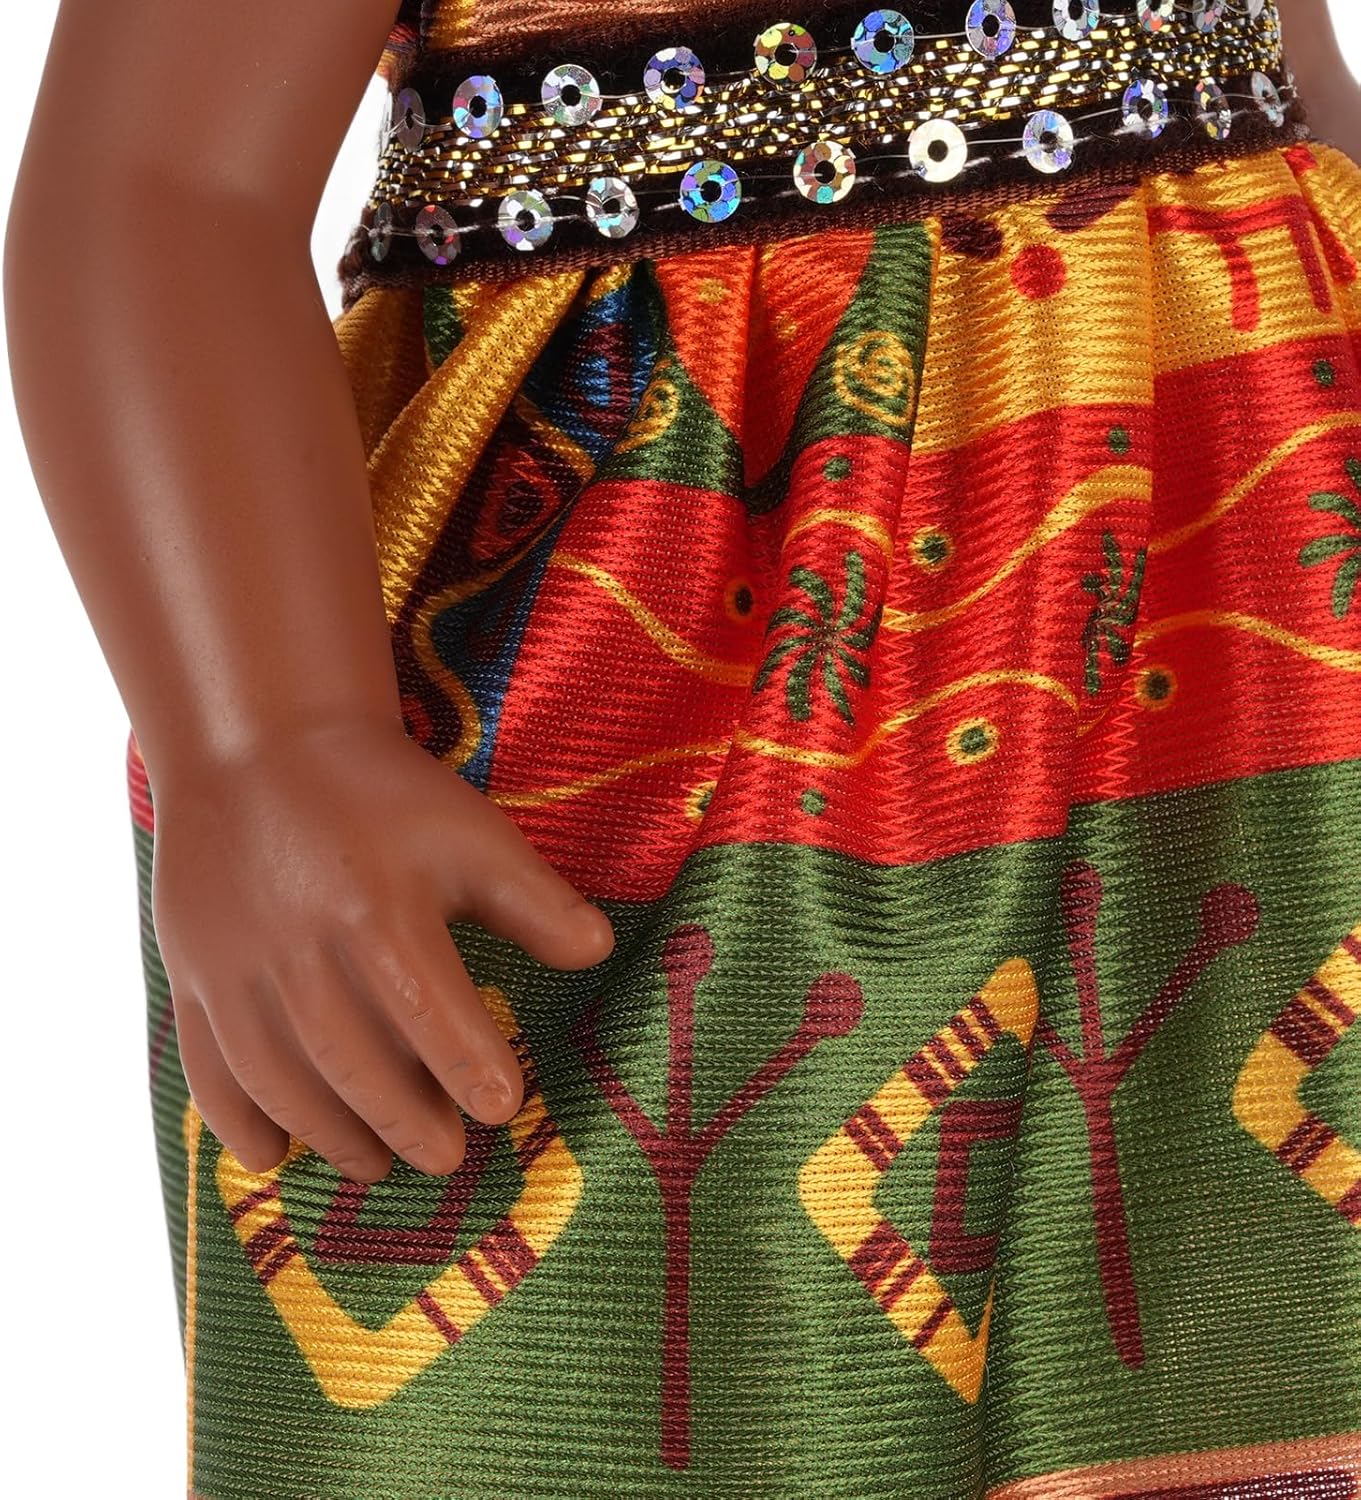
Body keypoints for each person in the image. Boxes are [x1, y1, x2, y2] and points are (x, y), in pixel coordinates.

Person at [6, 0, 1361, 1495]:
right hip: (653, 657)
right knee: (632, 1366)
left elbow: (1295, 79)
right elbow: (159, 185)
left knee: (1259, 1297)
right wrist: (264, 740)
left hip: (1256, 609)